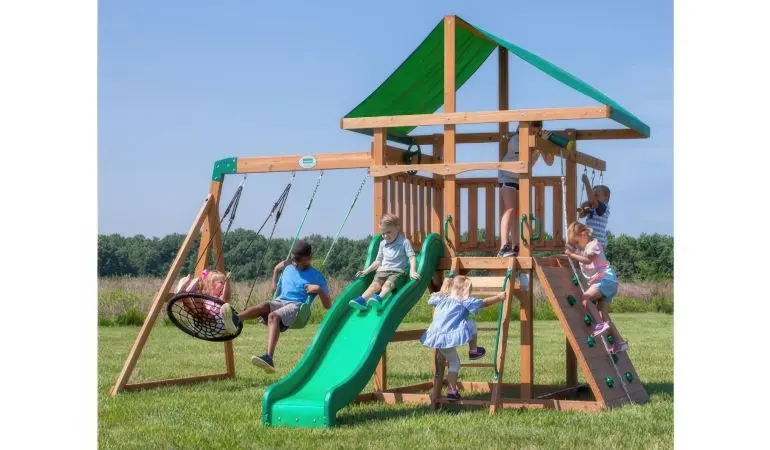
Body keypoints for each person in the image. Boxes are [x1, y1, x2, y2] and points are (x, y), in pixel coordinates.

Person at [220, 240, 332, 373]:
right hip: (280, 301)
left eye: (299, 261)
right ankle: (235, 320)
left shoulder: (317, 276)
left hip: (297, 306)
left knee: (273, 316)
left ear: (309, 257)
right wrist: (275, 272)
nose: (295, 264)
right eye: (293, 260)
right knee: (263, 306)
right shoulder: (289, 269)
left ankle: (269, 358)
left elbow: (328, 305)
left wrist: (318, 289)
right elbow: (275, 293)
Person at [420, 275, 506, 401]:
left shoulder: (442, 298)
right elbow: (484, 303)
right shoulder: (464, 301)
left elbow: (432, 298)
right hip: (447, 337)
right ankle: (453, 389)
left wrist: (444, 287)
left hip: (436, 337)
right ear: (466, 290)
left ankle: (452, 388)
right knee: (455, 362)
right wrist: (499, 297)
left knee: (452, 357)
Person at [564, 221, 628, 354]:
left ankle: (600, 324)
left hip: (605, 280)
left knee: (585, 299)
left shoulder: (593, 245)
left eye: (576, 242)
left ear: (584, 234)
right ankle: (619, 342)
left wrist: (571, 254)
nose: (576, 246)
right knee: (603, 314)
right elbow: (575, 250)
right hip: (606, 282)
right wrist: (570, 247)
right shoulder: (582, 249)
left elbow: (588, 260)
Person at [349, 213, 419, 311]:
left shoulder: (404, 242)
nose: (385, 236)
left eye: (388, 232)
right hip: (381, 271)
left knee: (387, 285)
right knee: (374, 286)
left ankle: (379, 298)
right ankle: (362, 300)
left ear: (397, 228)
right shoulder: (382, 244)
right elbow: (378, 261)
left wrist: (412, 271)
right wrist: (366, 271)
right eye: (383, 233)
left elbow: (412, 257)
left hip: (397, 272)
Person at [496, 130, 521, 257]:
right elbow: (520, 149)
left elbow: (549, 162)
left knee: (517, 214)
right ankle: (503, 246)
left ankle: (515, 245)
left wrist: (545, 147)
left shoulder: (536, 142)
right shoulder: (517, 139)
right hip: (507, 175)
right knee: (510, 209)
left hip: (520, 177)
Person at [578, 185, 611, 249]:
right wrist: (584, 207)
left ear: (605, 198)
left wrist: (586, 182)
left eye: (596, 195)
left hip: (598, 241)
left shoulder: (605, 207)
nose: (593, 197)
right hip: (589, 240)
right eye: (592, 195)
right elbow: (580, 215)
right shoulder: (593, 208)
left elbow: (593, 201)